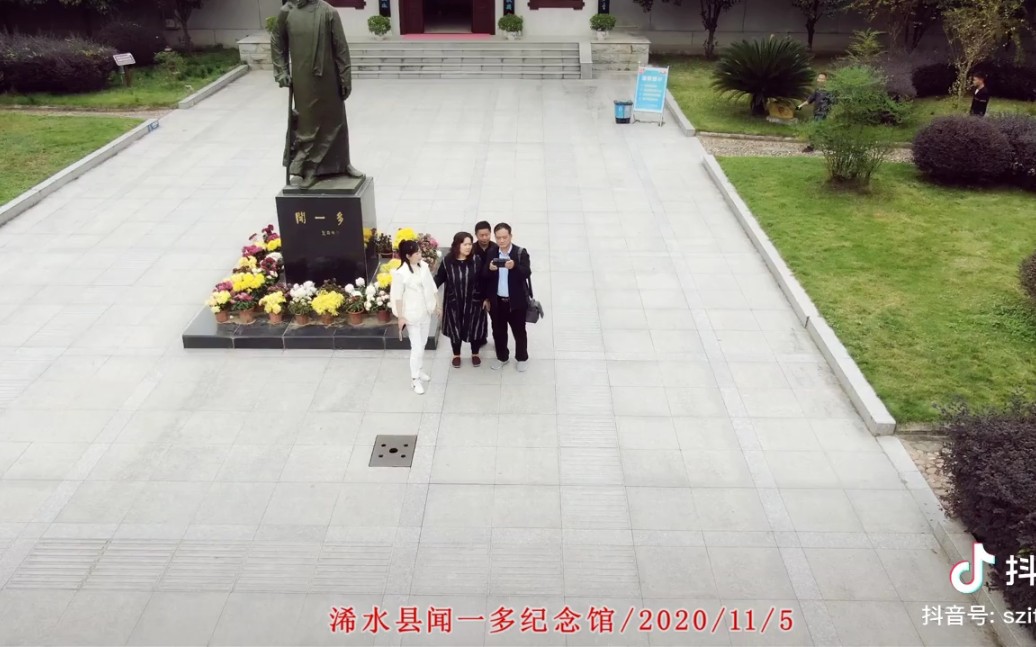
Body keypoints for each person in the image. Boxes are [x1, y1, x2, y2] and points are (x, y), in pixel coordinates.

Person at [271, 0, 363, 188]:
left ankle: (342, 163)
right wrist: (281, 71)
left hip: (329, 78)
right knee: (308, 124)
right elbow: (277, 41)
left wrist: (345, 78)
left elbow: (341, 47)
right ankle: (310, 169)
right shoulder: (287, 12)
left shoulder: (328, 12)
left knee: (336, 121)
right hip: (303, 79)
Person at [390, 239, 439, 394]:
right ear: (407, 256)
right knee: (416, 348)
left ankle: (420, 369)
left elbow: (432, 286)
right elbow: (397, 297)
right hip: (411, 315)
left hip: (425, 312)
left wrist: (437, 305)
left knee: (422, 343)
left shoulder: (423, 266)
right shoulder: (400, 274)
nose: (419, 254)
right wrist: (400, 317)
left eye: (419, 251)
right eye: (416, 253)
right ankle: (414, 379)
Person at [435, 232, 489, 368]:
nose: (468, 247)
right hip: (454, 302)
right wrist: (427, 289)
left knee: (475, 328)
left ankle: (475, 353)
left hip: (474, 302)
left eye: (470, 244)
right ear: (457, 245)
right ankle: (456, 355)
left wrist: (486, 297)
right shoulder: (448, 261)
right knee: (455, 329)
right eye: (465, 244)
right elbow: (439, 278)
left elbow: (484, 280)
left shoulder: (476, 260)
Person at [483, 223, 531, 372]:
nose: (502, 240)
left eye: (505, 237)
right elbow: (484, 276)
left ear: (510, 236)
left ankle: (522, 358)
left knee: (519, 331)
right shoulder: (492, 252)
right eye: (498, 238)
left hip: (515, 302)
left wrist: (514, 266)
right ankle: (502, 357)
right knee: (498, 332)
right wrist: (489, 269)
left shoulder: (520, 252)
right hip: (497, 302)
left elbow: (527, 272)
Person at [797, 72, 832, 153]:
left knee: (816, 129)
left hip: (824, 114)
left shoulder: (829, 92)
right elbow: (809, 100)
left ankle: (811, 147)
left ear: (826, 80)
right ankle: (828, 144)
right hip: (817, 113)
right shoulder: (817, 91)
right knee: (819, 129)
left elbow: (833, 103)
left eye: (822, 79)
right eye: (819, 78)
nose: (820, 80)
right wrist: (800, 106)